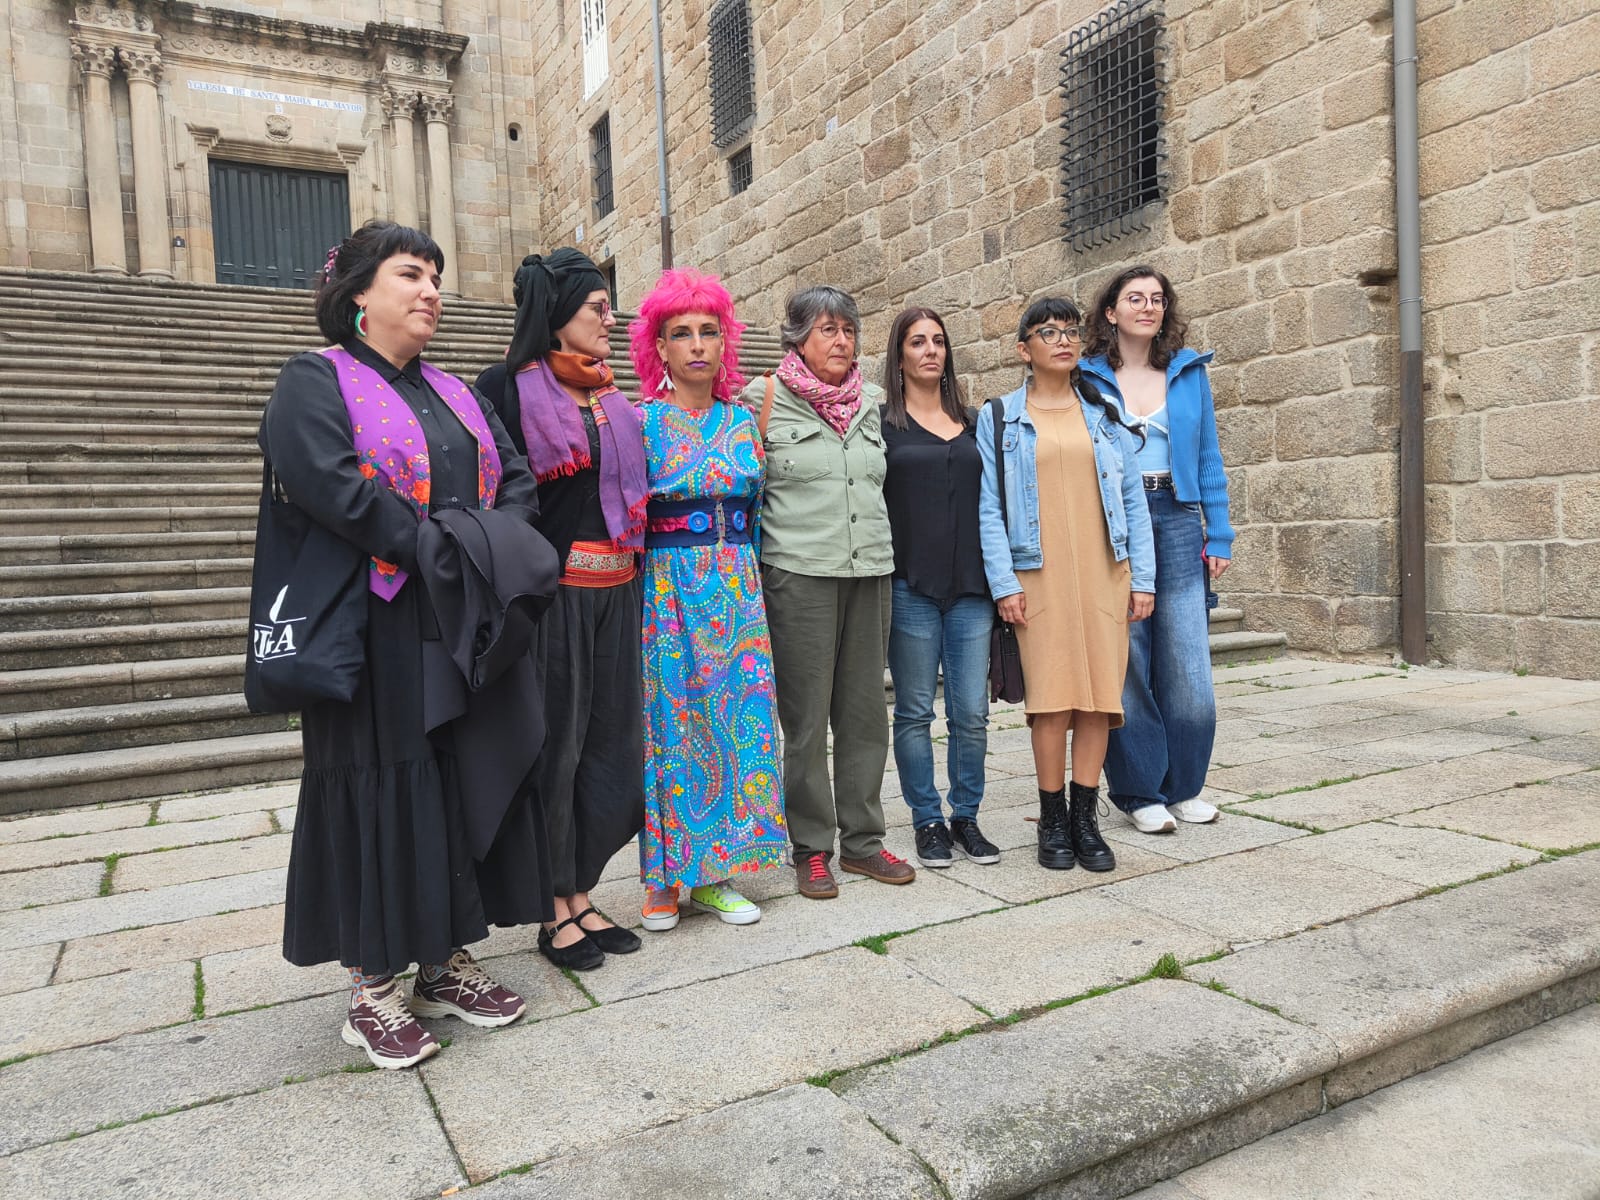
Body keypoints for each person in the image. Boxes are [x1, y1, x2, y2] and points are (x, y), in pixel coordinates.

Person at [261, 220, 550, 1070]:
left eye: (435, 277)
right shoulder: (314, 381)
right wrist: (441, 547)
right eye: (410, 275)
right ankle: (372, 987)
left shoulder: (459, 392)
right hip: (372, 627)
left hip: (460, 618)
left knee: (453, 781)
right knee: (381, 783)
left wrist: (491, 546)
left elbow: (517, 479)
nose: (431, 291)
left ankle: (442, 962)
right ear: (357, 293)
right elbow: (335, 489)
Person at [475, 250, 646, 971]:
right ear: (557, 314)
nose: (611, 320)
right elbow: (495, 495)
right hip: (556, 601)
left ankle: (582, 890)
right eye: (597, 309)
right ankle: (551, 906)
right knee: (557, 751)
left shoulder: (610, 395)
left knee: (610, 749)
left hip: (618, 591)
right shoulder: (505, 390)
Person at [737, 285, 914, 899]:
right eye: (827, 330)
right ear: (798, 338)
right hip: (798, 575)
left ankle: (863, 842)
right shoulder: (762, 399)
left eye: (848, 330)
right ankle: (811, 848)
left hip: (870, 571)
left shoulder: (873, 400)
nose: (841, 341)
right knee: (806, 721)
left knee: (865, 715)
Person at [626, 268, 788, 930]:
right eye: (681, 333)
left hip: (738, 589)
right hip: (667, 590)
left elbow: (757, 509)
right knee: (671, 726)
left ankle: (718, 874)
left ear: (725, 343)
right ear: (659, 348)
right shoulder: (639, 422)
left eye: (708, 332)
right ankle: (664, 880)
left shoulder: (744, 421)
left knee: (737, 724)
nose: (697, 344)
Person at [976, 297, 1155, 873]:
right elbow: (989, 508)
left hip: (1105, 571)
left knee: (1100, 699)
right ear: (1023, 349)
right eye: (1048, 332)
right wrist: (1004, 584)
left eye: (1071, 331)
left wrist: (1143, 579)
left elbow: (1132, 500)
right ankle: (1051, 819)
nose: (1063, 341)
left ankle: (1085, 818)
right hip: (1038, 575)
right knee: (1052, 701)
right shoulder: (1000, 417)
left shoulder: (1103, 412)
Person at [1082, 266, 1232, 834]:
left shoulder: (1188, 372)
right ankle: (1140, 790)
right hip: (1116, 520)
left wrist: (1219, 532)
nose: (1148, 306)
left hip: (1177, 515)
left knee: (1189, 663)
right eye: (1135, 298)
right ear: (1111, 311)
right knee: (1129, 660)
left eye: (1157, 299)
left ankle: (1185, 787)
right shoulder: (1087, 377)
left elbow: (1209, 456)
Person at [880, 307, 998, 869]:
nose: (930, 350)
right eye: (918, 342)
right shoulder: (882, 426)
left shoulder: (975, 422)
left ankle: (965, 817)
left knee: (971, 712)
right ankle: (927, 819)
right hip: (910, 586)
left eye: (939, 341)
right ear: (899, 355)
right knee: (913, 712)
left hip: (972, 587)